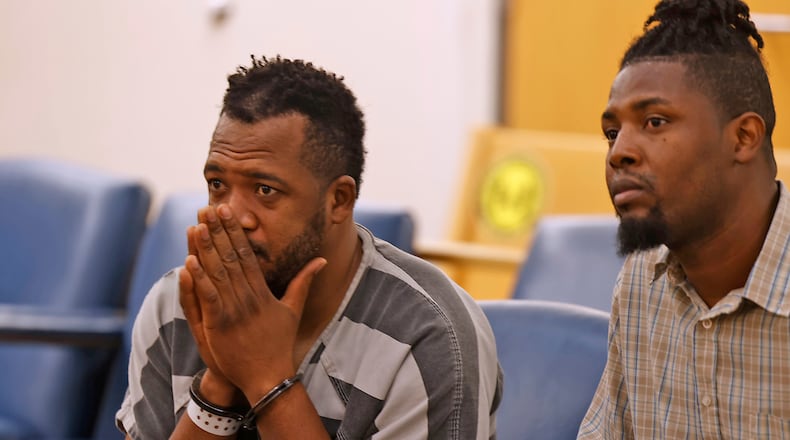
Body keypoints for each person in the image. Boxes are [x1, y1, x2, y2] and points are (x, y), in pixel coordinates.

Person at [116, 56, 502, 439]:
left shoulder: (427, 337)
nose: (231, 215)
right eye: (218, 184)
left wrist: (266, 377)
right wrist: (219, 382)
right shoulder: (176, 306)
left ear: (338, 200)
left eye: (265, 190)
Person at [577, 0, 789, 438]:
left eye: (655, 122)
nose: (619, 153)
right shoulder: (640, 283)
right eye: (612, 133)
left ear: (744, 136)